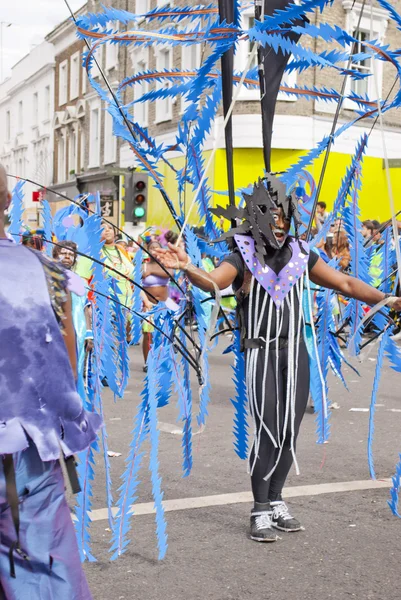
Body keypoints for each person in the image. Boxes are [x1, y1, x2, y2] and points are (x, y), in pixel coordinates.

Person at [153, 175, 401, 543]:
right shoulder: (242, 255)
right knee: (268, 430)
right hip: (260, 351)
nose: (280, 229)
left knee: (289, 431)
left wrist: (385, 298)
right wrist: (188, 267)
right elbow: (214, 282)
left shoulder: (302, 253)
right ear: (257, 220)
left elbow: (346, 284)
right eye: (273, 222)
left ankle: (277, 500)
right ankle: (259, 508)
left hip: (296, 351)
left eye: (285, 222)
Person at [0, 164, 101, 597]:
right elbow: (66, 358)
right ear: (6, 201)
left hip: (24, 457)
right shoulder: (46, 271)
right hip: (27, 453)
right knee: (41, 571)